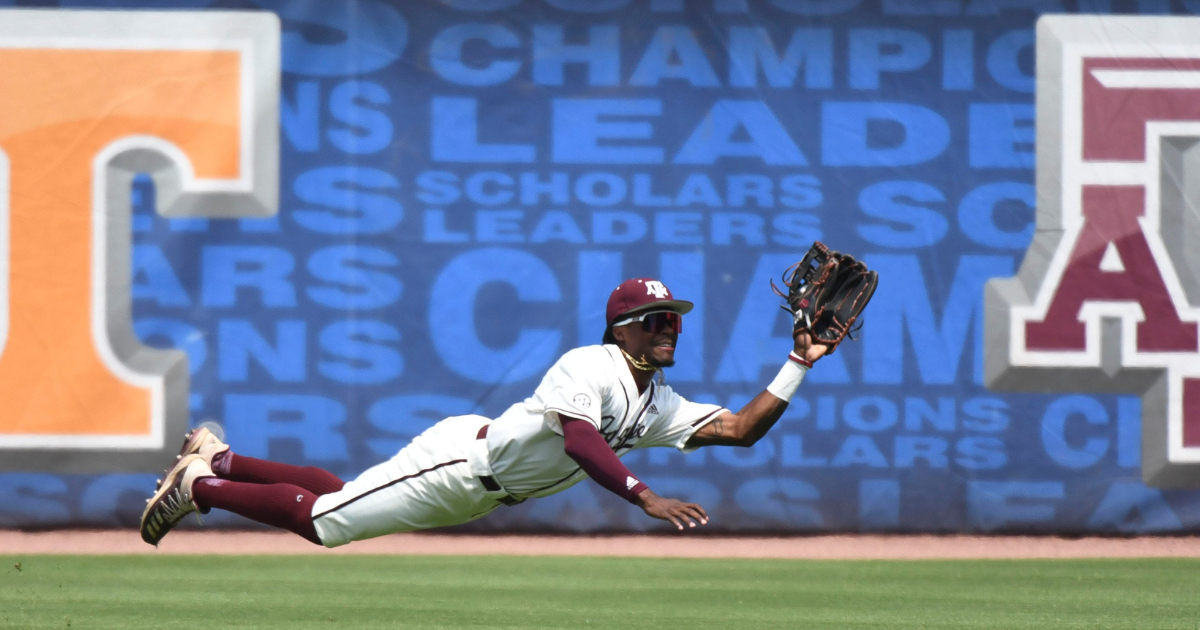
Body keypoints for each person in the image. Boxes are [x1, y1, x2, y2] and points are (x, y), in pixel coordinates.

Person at [140, 277, 827, 546]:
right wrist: (641, 494)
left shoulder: (658, 401)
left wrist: (796, 363)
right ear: (622, 328)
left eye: (672, 320)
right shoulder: (590, 366)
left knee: (346, 496)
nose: (668, 329)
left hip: (477, 489)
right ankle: (200, 485)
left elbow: (739, 430)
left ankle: (221, 455)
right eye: (654, 321)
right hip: (459, 466)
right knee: (325, 523)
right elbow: (583, 439)